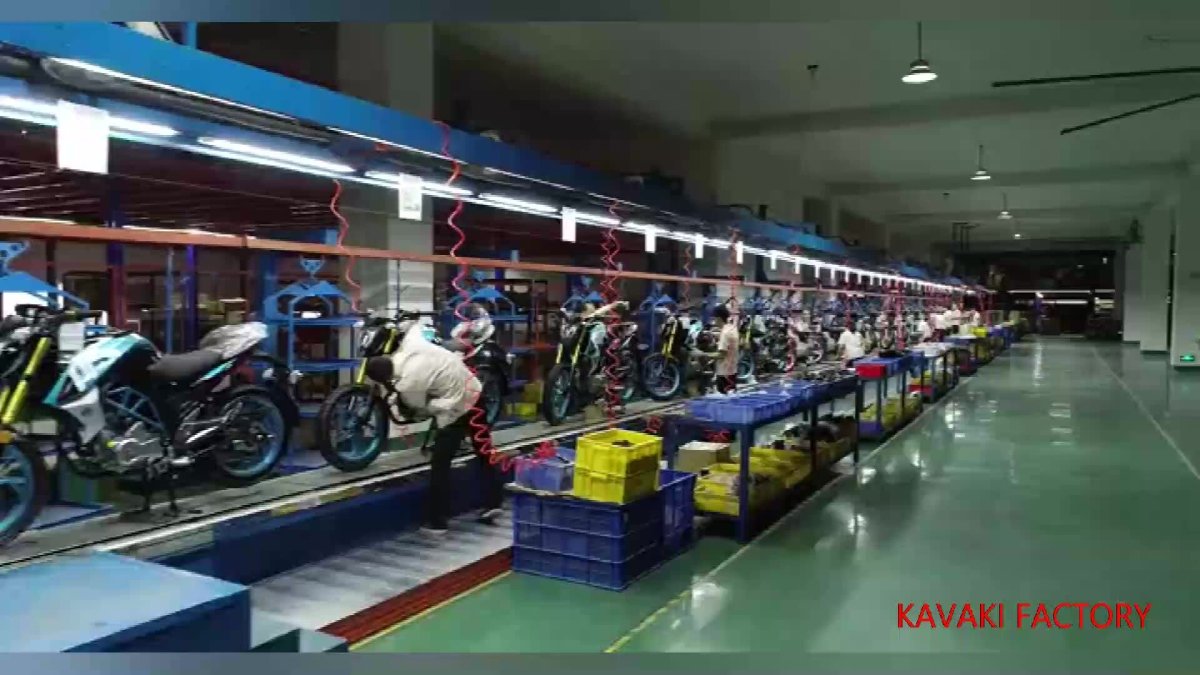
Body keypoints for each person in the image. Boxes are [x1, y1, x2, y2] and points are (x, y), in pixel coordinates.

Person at [366, 317, 503, 535]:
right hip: (475, 390)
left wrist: (395, 398)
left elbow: (418, 410)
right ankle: (494, 503)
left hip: (456, 408)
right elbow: (416, 327)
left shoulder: (409, 383)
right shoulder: (410, 346)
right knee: (484, 451)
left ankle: (438, 522)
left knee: (440, 464)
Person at [711, 305, 739, 393]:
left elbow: (721, 355)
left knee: (724, 396)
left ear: (719, 318)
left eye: (714, 318)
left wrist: (702, 354)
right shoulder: (732, 328)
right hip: (732, 371)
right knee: (731, 395)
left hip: (724, 373)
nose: (713, 321)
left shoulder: (725, 333)